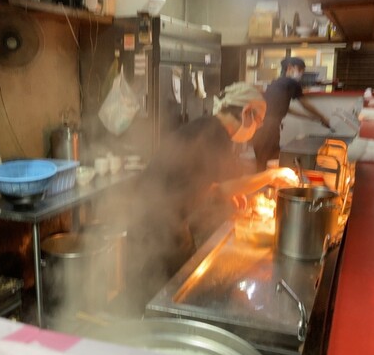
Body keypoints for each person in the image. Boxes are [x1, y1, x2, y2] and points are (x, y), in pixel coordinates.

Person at [123, 82, 298, 316]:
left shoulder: (209, 128)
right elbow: (223, 188)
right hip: (154, 227)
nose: (258, 127)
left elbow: (206, 183)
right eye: (259, 121)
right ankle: (142, 330)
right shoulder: (215, 134)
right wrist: (270, 176)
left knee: (171, 289)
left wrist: (229, 193)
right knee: (154, 297)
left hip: (169, 222)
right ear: (247, 113)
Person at [252, 57, 332, 171]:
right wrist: (322, 117)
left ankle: (261, 179)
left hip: (259, 125)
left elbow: (285, 109)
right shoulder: (292, 82)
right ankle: (266, 181)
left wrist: (311, 117)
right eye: (300, 70)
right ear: (290, 68)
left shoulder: (277, 82)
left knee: (262, 160)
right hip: (269, 127)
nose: (301, 74)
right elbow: (305, 104)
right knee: (270, 160)